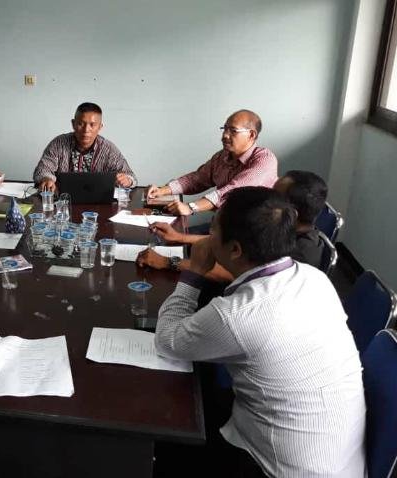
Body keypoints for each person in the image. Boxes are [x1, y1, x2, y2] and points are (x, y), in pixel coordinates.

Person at [154, 187, 365, 477]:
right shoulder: (314, 278)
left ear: (235, 250)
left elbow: (168, 340)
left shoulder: (237, 315)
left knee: (166, 438)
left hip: (276, 468)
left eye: (213, 230)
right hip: (337, 461)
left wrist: (193, 273)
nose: (207, 237)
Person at [138, 170, 329, 273]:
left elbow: (233, 273)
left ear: (292, 213)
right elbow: (228, 244)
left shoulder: (298, 254)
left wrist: (168, 262)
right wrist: (180, 237)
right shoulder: (281, 229)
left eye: (274, 195)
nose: (267, 197)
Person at [146, 110, 277, 216]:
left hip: (253, 232)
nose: (225, 135)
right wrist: (162, 190)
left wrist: (190, 207)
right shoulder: (222, 156)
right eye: (224, 129)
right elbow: (197, 179)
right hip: (224, 225)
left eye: (233, 131)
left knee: (174, 237)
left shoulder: (264, 159)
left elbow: (233, 191)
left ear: (251, 135)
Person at [33, 102, 137, 192]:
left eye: (92, 125)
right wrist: (46, 179)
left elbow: (131, 176)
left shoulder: (109, 149)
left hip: (99, 203)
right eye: (81, 124)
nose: (86, 130)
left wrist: (127, 180)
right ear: (73, 124)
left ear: (100, 127)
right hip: (63, 201)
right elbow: (42, 170)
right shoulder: (58, 144)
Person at [272, 170, 327, 266]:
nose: (266, 203)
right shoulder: (285, 230)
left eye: (273, 199)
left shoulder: (295, 260)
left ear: (292, 214)